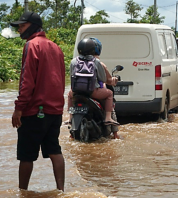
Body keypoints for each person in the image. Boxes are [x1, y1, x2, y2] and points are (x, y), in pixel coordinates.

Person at [10, 11, 65, 191]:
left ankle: (22, 193)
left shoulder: (31, 45)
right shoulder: (55, 47)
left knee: (26, 156)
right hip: (54, 110)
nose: (19, 29)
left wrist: (19, 108)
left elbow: (27, 80)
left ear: (33, 26)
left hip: (34, 110)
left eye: (22, 26)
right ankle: (61, 191)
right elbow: (61, 80)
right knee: (55, 151)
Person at [66, 38, 120, 135]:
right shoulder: (96, 62)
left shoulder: (73, 61)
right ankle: (108, 118)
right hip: (92, 92)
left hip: (76, 92)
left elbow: (71, 76)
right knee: (109, 94)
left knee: (69, 95)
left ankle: (70, 117)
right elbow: (104, 79)